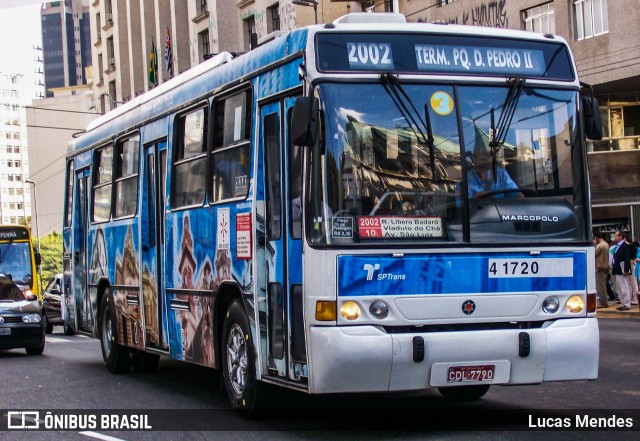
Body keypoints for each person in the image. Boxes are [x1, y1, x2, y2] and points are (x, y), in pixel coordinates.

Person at [611, 230, 632, 311]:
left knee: (624, 287)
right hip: (617, 269)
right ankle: (623, 303)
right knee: (619, 288)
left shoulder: (625, 246)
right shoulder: (617, 246)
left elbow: (627, 258)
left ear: (620, 237)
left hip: (622, 269)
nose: (615, 237)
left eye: (616, 236)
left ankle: (627, 304)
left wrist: (626, 269)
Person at [593, 232, 610, 308]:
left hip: (600, 267)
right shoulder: (606, 244)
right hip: (605, 266)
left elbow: (593, 254)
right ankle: (604, 301)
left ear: (596, 238)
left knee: (600, 286)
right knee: (603, 285)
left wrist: (594, 245)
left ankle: (603, 302)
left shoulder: (599, 246)